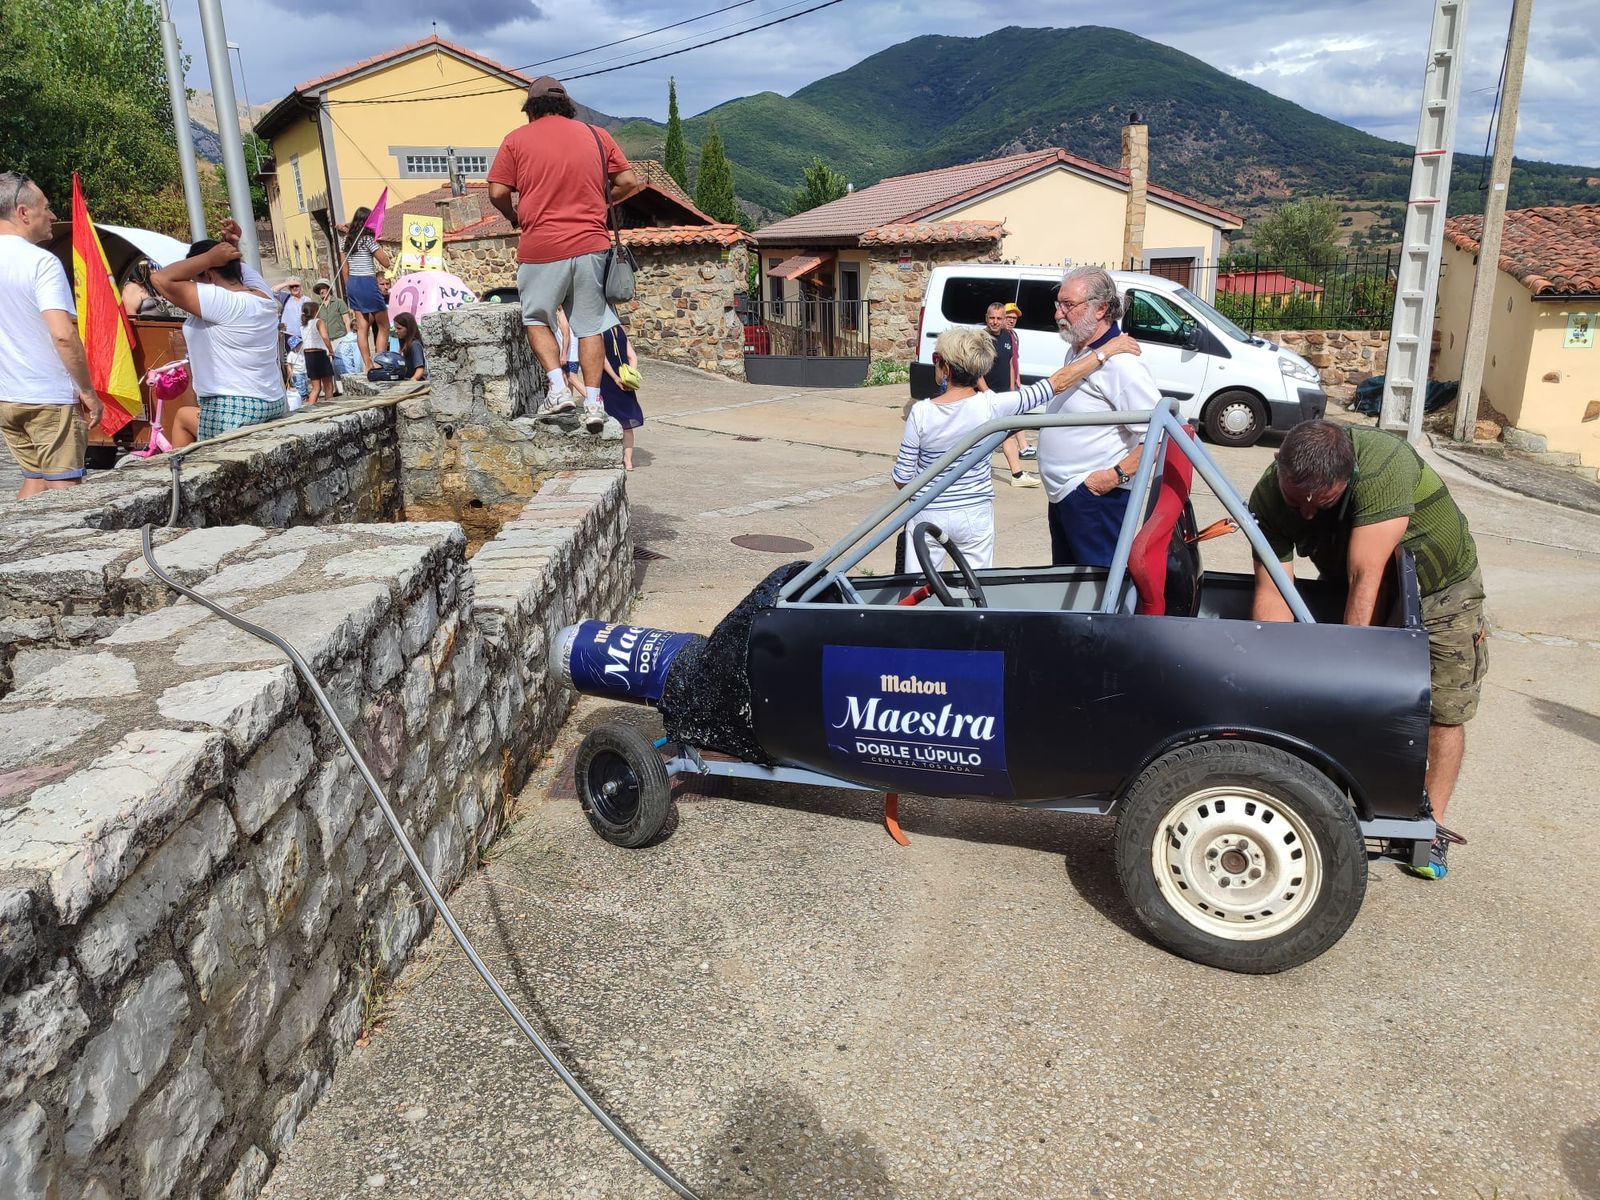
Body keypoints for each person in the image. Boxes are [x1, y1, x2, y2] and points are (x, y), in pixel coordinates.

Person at [1247, 419, 1486, 881]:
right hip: (1349, 583)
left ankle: (1429, 825)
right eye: (1300, 502)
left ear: (1349, 474)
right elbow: (1274, 593)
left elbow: (1367, 579)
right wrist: (1266, 677)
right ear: (1278, 464)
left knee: (1442, 709)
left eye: (1325, 502)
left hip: (1441, 593)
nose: (1310, 515)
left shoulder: (1383, 467)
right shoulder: (1268, 496)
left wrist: (1349, 677)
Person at [893, 325, 1140, 571]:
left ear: (945, 366)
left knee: (918, 587)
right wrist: (1104, 351)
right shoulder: (993, 406)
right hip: (973, 513)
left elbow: (903, 479)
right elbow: (1056, 384)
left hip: (929, 510)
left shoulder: (921, 412)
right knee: (974, 587)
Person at [487, 74, 643, 434]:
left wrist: (515, 216)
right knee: (590, 325)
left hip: (541, 246)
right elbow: (629, 182)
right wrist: (599, 204)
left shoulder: (516, 140)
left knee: (537, 318)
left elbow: (497, 191)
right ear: (567, 106)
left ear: (531, 108)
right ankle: (593, 403)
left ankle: (558, 390)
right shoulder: (596, 135)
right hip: (591, 244)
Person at [1038, 265, 1162, 569]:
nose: (1058, 314)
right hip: (1069, 496)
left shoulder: (1122, 365)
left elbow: (1160, 434)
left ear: (1101, 309)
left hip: (1096, 499)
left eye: (1068, 305)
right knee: (1069, 586)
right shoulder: (1082, 351)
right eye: (1059, 304)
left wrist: (1113, 476)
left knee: (1098, 591)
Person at [0, 172, 101, 498]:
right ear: (23, 212)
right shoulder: (41, 262)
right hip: (49, 396)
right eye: (46, 207)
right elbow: (62, 334)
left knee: (36, 480)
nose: (53, 216)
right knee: (64, 493)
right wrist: (87, 391)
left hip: (7, 395)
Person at [151, 236, 286, 441]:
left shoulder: (223, 302)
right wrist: (231, 246)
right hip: (271, 400)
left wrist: (208, 258)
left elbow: (160, 279)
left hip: (231, 406)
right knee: (183, 417)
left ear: (208, 274)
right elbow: (239, 268)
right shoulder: (263, 297)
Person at [983, 301, 1036, 489]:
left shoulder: (1008, 337)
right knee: (976, 437)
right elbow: (976, 371)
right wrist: (985, 393)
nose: (995, 322)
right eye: (992, 318)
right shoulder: (981, 338)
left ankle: (1017, 474)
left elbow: (1010, 363)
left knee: (1007, 434)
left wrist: (1013, 390)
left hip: (1005, 395)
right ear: (986, 318)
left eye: (999, 318)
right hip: (985, 397)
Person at [339, 209, 391, 372]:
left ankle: (367, 365)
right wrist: (377, 243)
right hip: (367, 281)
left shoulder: (345, 242)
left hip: (352, 283)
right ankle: (379, 362)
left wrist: (349, 288)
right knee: (383, 325)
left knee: (362, 327)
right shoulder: (368, 240)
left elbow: (344, 270)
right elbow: (386, 262)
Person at [598, 316, 642, 469]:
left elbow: (601, 359)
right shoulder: (620, 329)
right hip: (626, 381)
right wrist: (630, 376)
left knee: (607, 418)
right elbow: (632, 356)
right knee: (627, 423)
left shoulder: (599, 332)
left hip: (608, 380)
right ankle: (628, 461)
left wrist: (616, 378)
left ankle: (611, 456)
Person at [1003, 302, 1037, 462]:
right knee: (1015, 415)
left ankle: (1023, 446)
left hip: (1013, 382)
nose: (1011, 321)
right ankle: (1023, 447)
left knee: (1017, 414)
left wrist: (1018, 378)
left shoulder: (1013, 335)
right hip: (1004, 385)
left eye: (1014, 318)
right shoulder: (1001, 336)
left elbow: (1015, 361)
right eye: (1008, 317)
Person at [300, 299, 333, 405]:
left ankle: (311, 408)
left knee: (316, 387)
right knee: (328, 384)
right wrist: (331, 350)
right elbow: (325, 337)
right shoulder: (318, 322)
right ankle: (330, 407)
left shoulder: (303, 325)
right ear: (315, 311)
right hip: (319, 354)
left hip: (308, 355)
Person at [393, 311, 427, 381]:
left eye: (399, 328)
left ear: (408, 329)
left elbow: (420, 369)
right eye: (395, 328)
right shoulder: (403, 345)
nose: (396, 331)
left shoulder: (415, 345)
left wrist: (412, 381)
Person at [279, 276, 305, 344]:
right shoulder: (285, 297)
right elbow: (272, 291)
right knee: (293, 354)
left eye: (296, 285)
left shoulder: (306, 299)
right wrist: (287, 283)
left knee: (304, 354)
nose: (294, 288)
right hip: (289, 334)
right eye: (292, 286)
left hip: (304, 333)